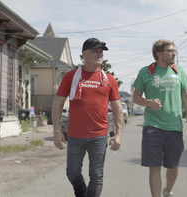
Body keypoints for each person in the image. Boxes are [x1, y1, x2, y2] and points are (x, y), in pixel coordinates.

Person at [51, 38, 123, 197]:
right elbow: (57, 104)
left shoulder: (109, 80)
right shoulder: (71, 77)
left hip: (99, 136)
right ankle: (81, 193)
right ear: (84, 54)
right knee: (73, 173)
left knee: (96, 176)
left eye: (101, 52)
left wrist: (118, 134)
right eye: (94, 51)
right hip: (75, 135)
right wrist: (57, 130)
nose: (99, 54)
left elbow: (117, 108)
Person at [133, 39, 187, 197]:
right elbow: (135, 97)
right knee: (154, 167)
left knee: (173, 166)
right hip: (152, 126)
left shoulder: (178, 71)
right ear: (158, 54)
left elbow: (186, 96)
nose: (174, 53)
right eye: (170, 51)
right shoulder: (145, 72)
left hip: (174, 127)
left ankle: (168, 191)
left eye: (174, 51)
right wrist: (149, 102)